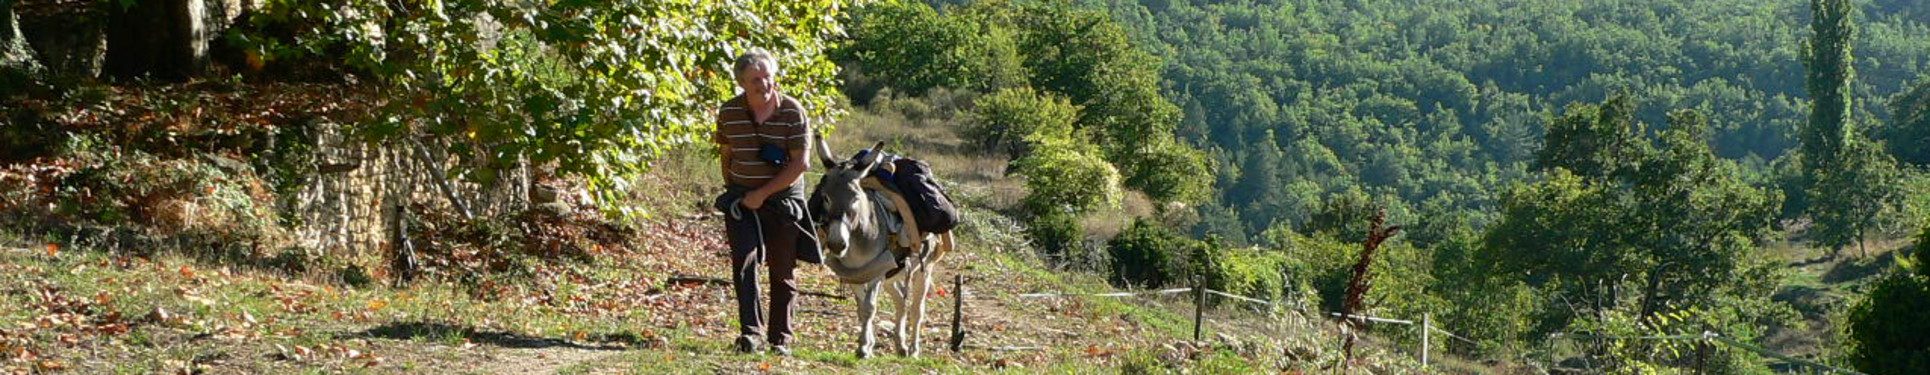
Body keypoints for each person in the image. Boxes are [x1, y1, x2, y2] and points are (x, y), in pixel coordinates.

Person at [711, 49, 819, 356]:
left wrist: (762, 194)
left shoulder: (793, 111)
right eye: (756, 79)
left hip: (783, 200)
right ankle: (751, 334)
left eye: (768, 76)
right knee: (744, 263)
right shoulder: (729, 111)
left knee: (782, 269)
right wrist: (735, 189)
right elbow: (726, 153)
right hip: (741, 199)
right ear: (742, 83)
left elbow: (800, 164)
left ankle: (780, 339)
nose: (764, 84)